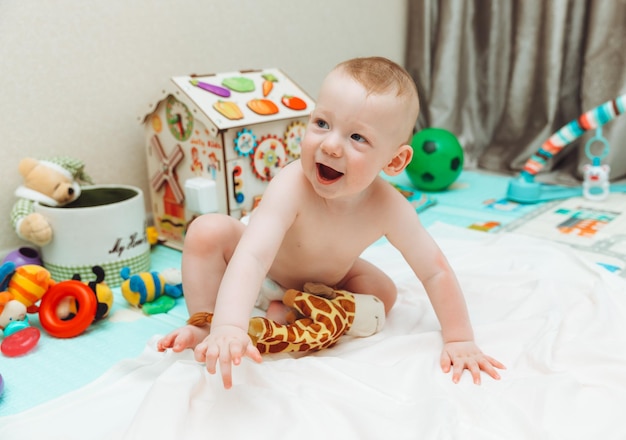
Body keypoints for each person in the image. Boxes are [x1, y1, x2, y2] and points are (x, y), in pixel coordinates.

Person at [157, 56, 505, 388]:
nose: (331, 146)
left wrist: (460, 338)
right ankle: (205, 324)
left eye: (358, 138)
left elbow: (435, 270)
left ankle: (292, 314)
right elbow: (252, 257)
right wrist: (228, 325)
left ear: (396, 161)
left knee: (384, 293)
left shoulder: (389, 207)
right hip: (263, 269)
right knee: (206, 231)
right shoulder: (292, 184)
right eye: (322, 123)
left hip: (324, 286)